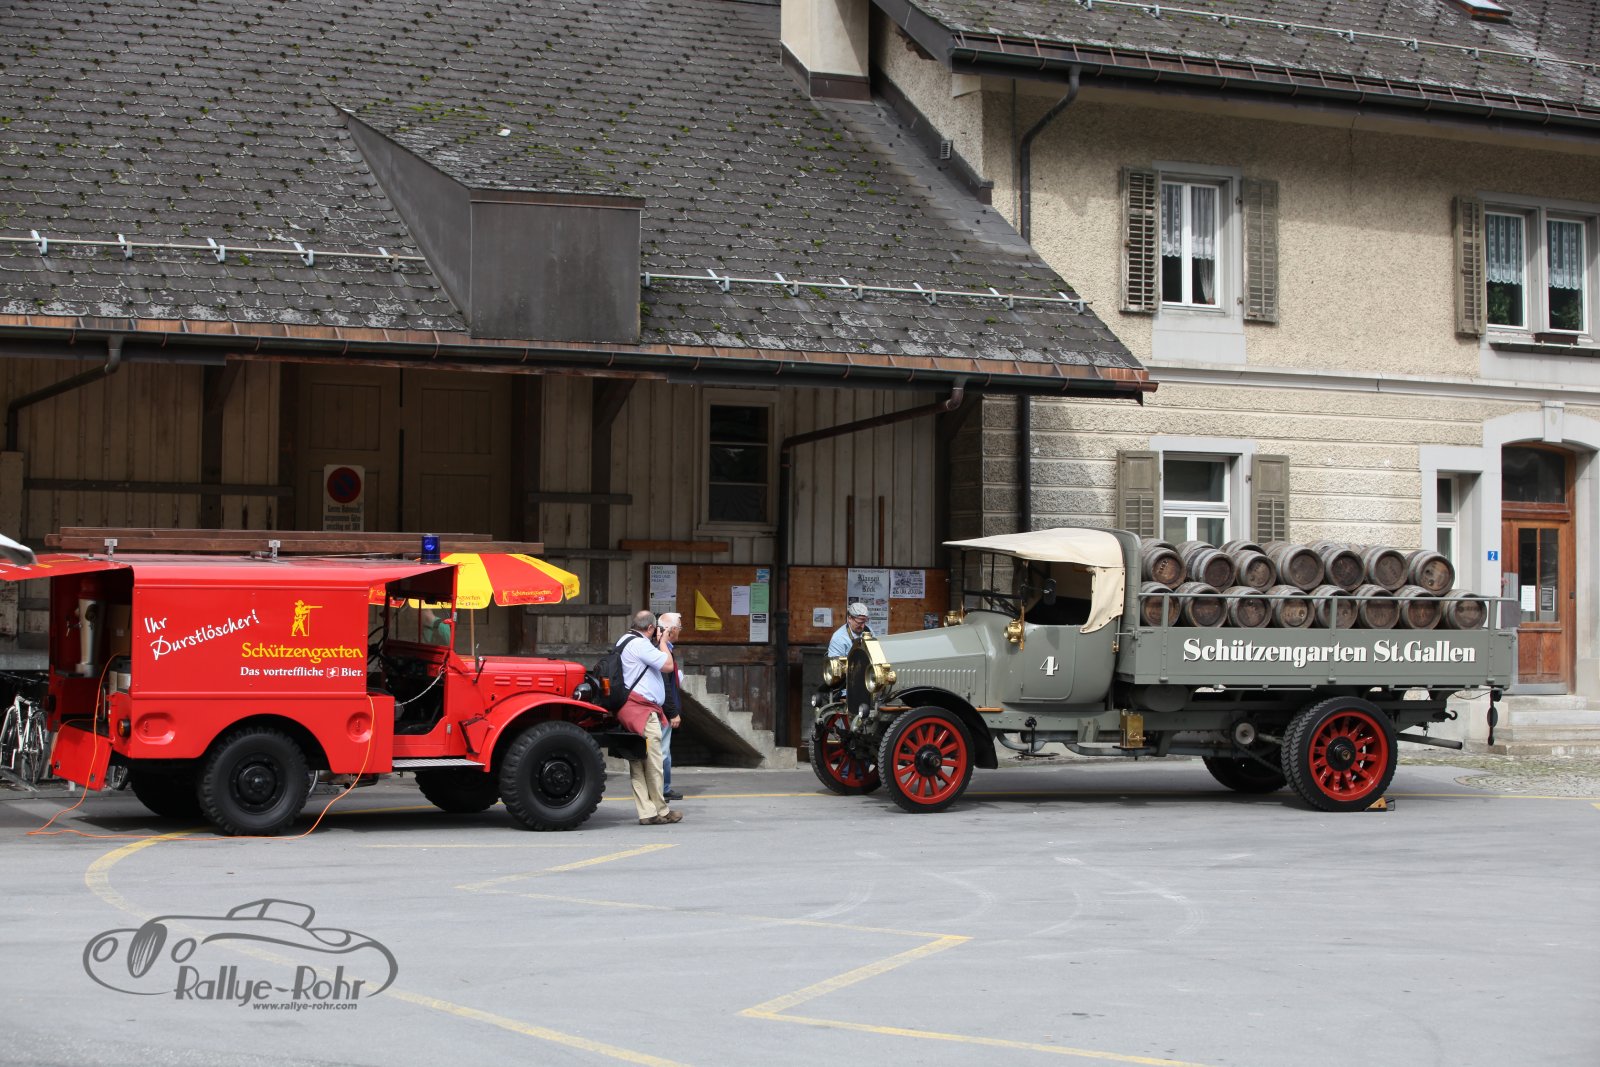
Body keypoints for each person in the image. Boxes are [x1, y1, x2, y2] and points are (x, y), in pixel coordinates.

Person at [615, 610, 681, 825]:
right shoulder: (641, 644)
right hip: (643, 711)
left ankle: (646, 812)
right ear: (651, 628)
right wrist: (663, 642)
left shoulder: (624, 640)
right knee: (654, 762)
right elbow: (668, 666)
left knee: (638, 762)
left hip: (629, 710)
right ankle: (661, 810)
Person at [657, 612, 684, 802]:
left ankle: (664, 788)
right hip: (663, 711)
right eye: (679, 628)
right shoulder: (662, 650)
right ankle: (661, 789)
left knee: (663, 751)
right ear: (672, 630)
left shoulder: (666, 648)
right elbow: (664, 684)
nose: (680, 631)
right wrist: (673, 711)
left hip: (664, 709)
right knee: (662, 752)